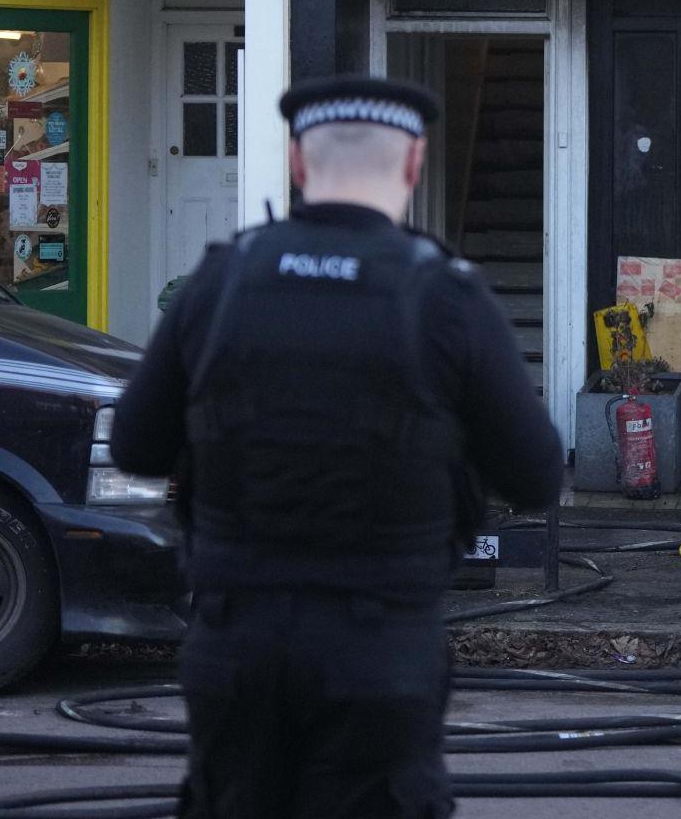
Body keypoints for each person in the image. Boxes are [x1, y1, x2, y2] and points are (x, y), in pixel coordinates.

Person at [110, 75, 564, 819]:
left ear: (297, 161)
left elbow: (135, 444)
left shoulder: (220, 281)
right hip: (378, 653)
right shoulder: (447, 296)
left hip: (236, 647)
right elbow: (537, 475)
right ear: (414, 165)